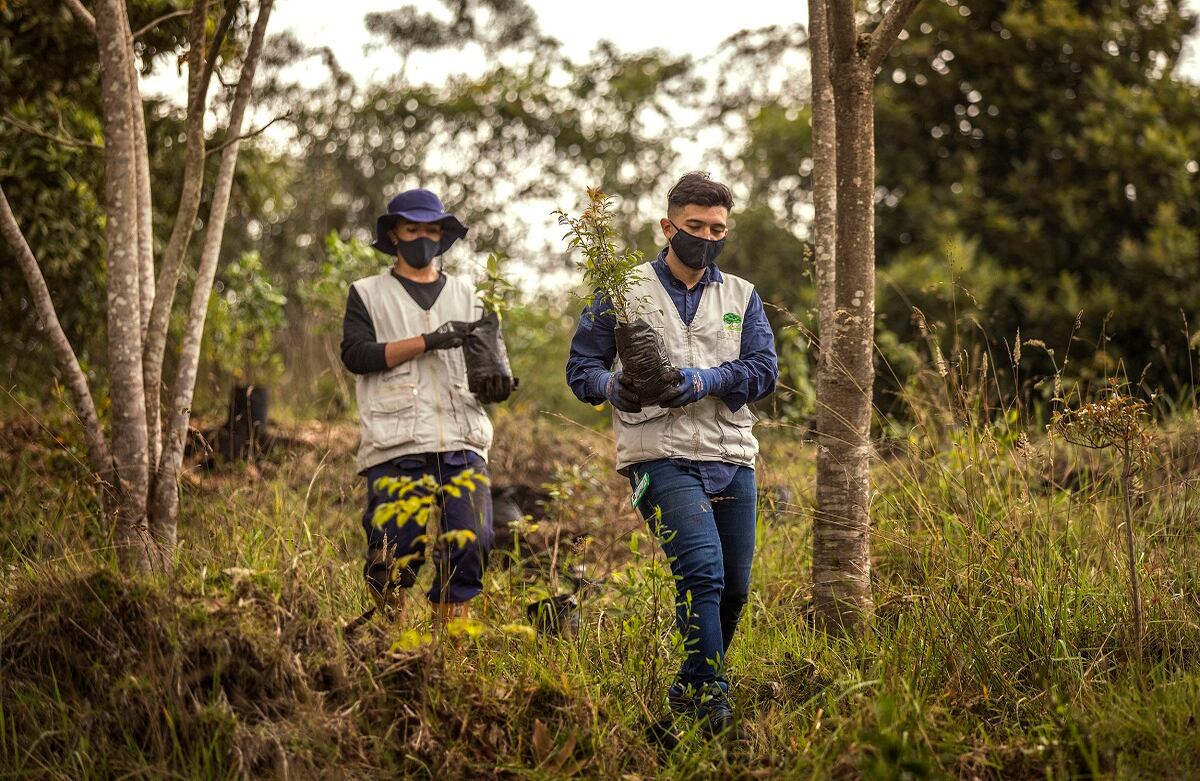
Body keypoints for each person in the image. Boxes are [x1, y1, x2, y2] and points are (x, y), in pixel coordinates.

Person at [566, 172, 778, 734]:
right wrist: (611, 386)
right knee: (702, 571)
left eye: (717, 230)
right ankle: (712, 703)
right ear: (668, 226)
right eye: (695, 226)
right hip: (656, 452)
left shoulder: (742, 296)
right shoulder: (622, 290)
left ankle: (687, 690)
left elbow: (763, 371)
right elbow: (581, 368)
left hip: (731, 452)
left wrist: (706, 380)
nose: (706, 238)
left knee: (734, 590)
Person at [340, 188, 513, 623]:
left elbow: (491, 366)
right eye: (412, 229)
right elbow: (356, 356)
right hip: (396, 441)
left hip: (462, 438)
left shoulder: (471, 296)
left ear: (442, 236)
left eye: (431, 230)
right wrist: (427, 341)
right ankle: (388, 640)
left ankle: (448, 650)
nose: (422, 238)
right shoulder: (367, 293)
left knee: (471, 542)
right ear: (393, 234)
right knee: (392, 552)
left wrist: (495, 385)